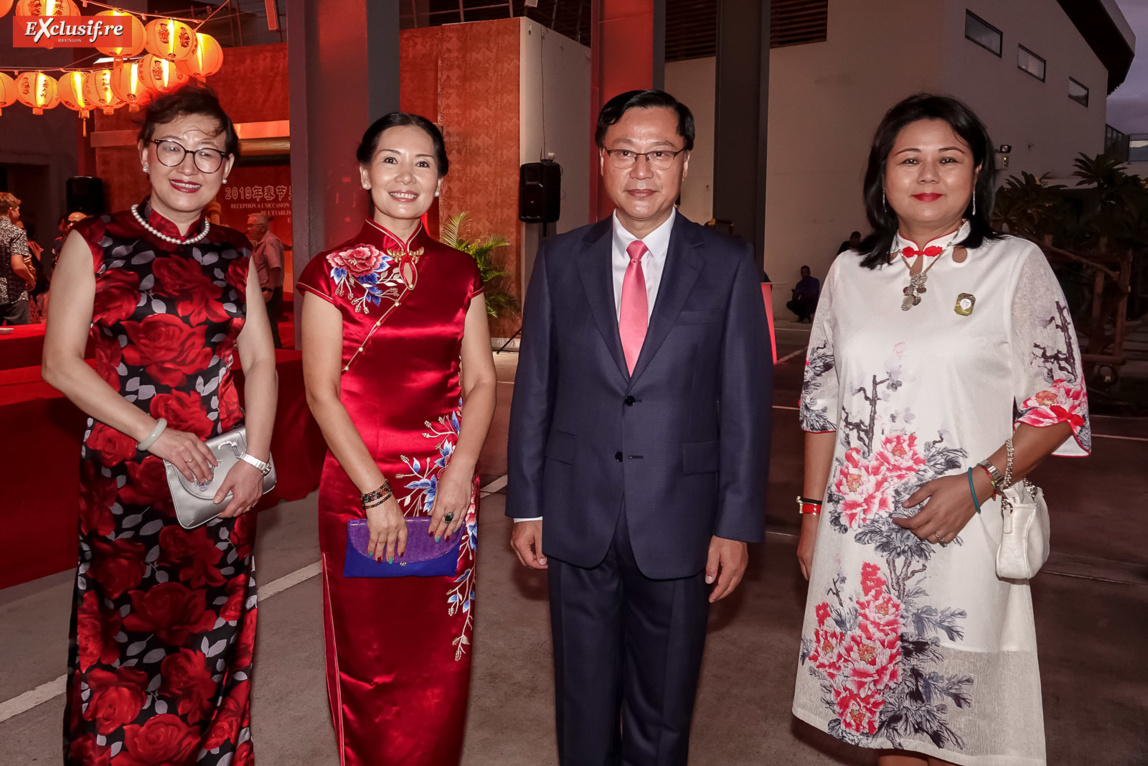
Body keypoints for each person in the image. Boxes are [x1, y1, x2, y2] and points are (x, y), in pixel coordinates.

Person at [792, 94, 1090, 765]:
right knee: (888, 727)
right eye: (909, 159)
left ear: (976, 171)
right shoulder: (850, 272)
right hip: (859, 538)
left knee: (948, 723)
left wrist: (977, 485)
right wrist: (812, 513)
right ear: (883, 174)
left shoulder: (1014, 266)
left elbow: (1060, 403)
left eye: (947, 159)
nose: (928, 174)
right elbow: (822, 403)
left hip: (962, 530)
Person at [507, 90, 771, 764]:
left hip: (682, 521)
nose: (643, 169)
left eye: (660, 153)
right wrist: (527, 504)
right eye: (626, 153)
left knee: (662, 714)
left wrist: (736, 523)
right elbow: (536, 389)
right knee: (582, 706)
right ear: (602, 162)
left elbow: (744, 402)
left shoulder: (729, 263)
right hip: (575, 513)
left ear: (685, 163)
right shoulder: (561, 261)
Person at [43, 84, 278, 765]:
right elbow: (60, 364)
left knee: (216, 637)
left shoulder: (236, 254)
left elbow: (260, 362)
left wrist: (255, 463)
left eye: (209, 153)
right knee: (120, 645)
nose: (189, 164)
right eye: (173, 146)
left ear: (228, 170)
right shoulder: (95, 242)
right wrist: (155, 435)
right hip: (126, 481)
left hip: (222, 481)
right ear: (145, 155)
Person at [299, 112, 497, 765]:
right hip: (363, 490)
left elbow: (480, 383)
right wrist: (377, 492)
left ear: (440, 180)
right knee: (369, 662)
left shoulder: (459, 273)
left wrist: (461, 471)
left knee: (437, 662)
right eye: (390, 160)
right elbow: (322, 394)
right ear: (363, 173)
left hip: (443, 493)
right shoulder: (329, 273)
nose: (405, 176)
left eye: (422, 163)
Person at [247, 212, 285, 348]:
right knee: (264, 325)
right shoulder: (261, 242)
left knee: (269, 325)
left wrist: (269, 290)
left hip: (269, 291)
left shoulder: (270, 242)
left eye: (251, 226)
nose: (248, 229)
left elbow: (275, 268)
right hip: (264, 290)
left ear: (262, 228)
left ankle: (279, 355)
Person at [0, 192, 35, 325]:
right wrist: (30, 279)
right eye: (18, 210)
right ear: (10, 210)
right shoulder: (16, 232)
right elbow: (18, 266)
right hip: (13, 295)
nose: (19, 214)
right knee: (19, 340)